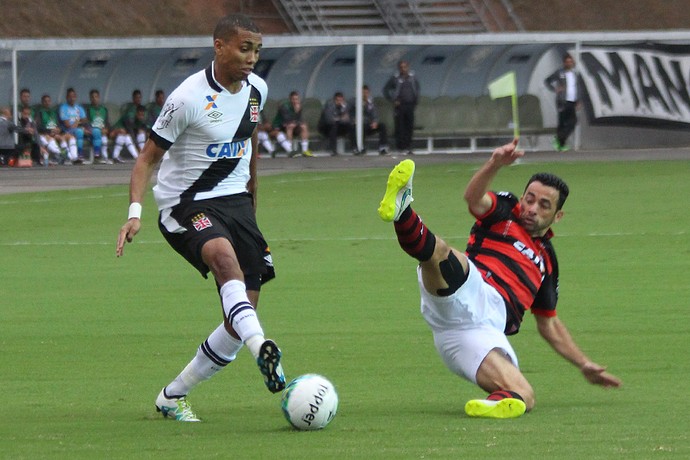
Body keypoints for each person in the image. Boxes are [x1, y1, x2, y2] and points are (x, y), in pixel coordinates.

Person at [116, 13, 286, 422]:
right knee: (224, 261)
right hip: (186, 204)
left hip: (236, 205)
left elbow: (250, 147)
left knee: (239, 314)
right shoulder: (187, 98)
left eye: (258, 51)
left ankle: (173, 395)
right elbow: (146, 159)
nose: (252, 58)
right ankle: (266, 351)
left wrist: (252, 206)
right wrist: (135, 212)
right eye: (245, 48)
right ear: (220, 47)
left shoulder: (257, 90)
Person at [377, 139, 622, 419]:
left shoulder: (547, 262)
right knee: (441, 255)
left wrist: (583, 364)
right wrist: (494, 164)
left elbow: (549, 323)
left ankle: (494, 402)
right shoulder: (505, 211)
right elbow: (473, 198)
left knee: (525, 396)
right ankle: (402, 209)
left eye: (544, 205)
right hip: (475, 288)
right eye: (529, 198)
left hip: (479, 334)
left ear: (558, 215)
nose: (531, 208)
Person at [544, 53, 582, 152]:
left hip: (572, 101)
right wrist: (555, 89)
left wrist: (578, 100)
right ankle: (561, 144)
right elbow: (547, 81)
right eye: (567, 62)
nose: (569, 63)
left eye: (571, 62)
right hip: (562, 101)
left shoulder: (575, 74)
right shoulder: (559, 73)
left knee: (573, 122)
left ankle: (559, 138)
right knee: (562, 122)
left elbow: (577, 88)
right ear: (564, 63)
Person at [383, 60, 420, 155]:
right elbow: (386, 89)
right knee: (400, 126)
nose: (403, 69)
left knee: (409, 126)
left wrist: (415, 100)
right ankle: (400, 147)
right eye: (401, 67)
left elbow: (417, 88)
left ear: (408, 67)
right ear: (399, 68)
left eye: (405, 67)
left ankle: (408, 147)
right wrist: (393, 100)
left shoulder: (412, 78)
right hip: (400, 105)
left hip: (410, 105)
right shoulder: (395, 78)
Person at [36, 94, 78, 164]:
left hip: (56, 133)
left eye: (48, 101)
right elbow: (38, 127)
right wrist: (49, 131)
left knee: (71, 137)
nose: (47, 103)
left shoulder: (54, 112)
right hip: (46, 134)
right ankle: (66, 157)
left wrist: (59, 129)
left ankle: (74, 157)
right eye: (45, 101)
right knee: (55, 139)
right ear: (42, 102)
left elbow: (60, 124)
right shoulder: (39, 113)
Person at [349, 85, 388, 155]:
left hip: (368, 125)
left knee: (382, 126)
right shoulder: (353, 102)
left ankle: (383, 147)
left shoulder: (370, 103)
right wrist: (353, 119)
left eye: (366, 93)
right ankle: (357, 148)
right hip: (357, 125)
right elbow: (348, 113)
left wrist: (375, 122)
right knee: (355, 127)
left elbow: (374, 114)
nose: (365, 95)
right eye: (363, 93)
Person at [271, 90, 312, 157]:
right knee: (290, 126)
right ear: (290, 99)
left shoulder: (299, 106)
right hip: (280, 127)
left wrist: (298, 117)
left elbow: (299, 120)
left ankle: (305, 150)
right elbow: (287, 120)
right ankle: (290, 150)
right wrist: (296, 112)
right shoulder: (284, 106)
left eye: (297, 99)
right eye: (293, 99)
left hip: (292, 125)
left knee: (304, 126)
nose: (295, 101)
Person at [58, 87, 95, 162]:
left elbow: (85, 120)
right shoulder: (63, 108)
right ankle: (80, 154)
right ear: (67, 97)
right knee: (79, 131)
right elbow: (68, 125)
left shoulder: (79, 107)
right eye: (70, 97)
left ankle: (97, 156)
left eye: (74, 96)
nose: (72, 98)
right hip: (67, 130)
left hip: (79, 128)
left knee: (95, 131)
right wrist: (78, 121)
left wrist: (79, 124)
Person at [318, 91, 352, 156]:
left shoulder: (344, 107)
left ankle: (354, 148)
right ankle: (333, 150)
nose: (339, 102)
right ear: (334, 100)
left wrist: (340, 118)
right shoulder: (329, 105)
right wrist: (341, 118)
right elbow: (329, 120)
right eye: (337, 100)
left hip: (337, 126)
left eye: (341, 100)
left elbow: (347, 119)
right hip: (325, 128)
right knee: (333, 126)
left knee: (351, 125)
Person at [85, 89, 112, 164]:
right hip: (93, 132)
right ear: (90, 99)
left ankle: (104, 158)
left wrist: (106, 129)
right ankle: (98, 157)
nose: (94, 99)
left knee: (104, 140)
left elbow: (107, 122)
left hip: (102, 131)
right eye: (92, 97)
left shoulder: (104, 109)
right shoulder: (88, 109)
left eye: (96, 97)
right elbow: (87, 123)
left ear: (99, 97)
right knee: (98, 135)